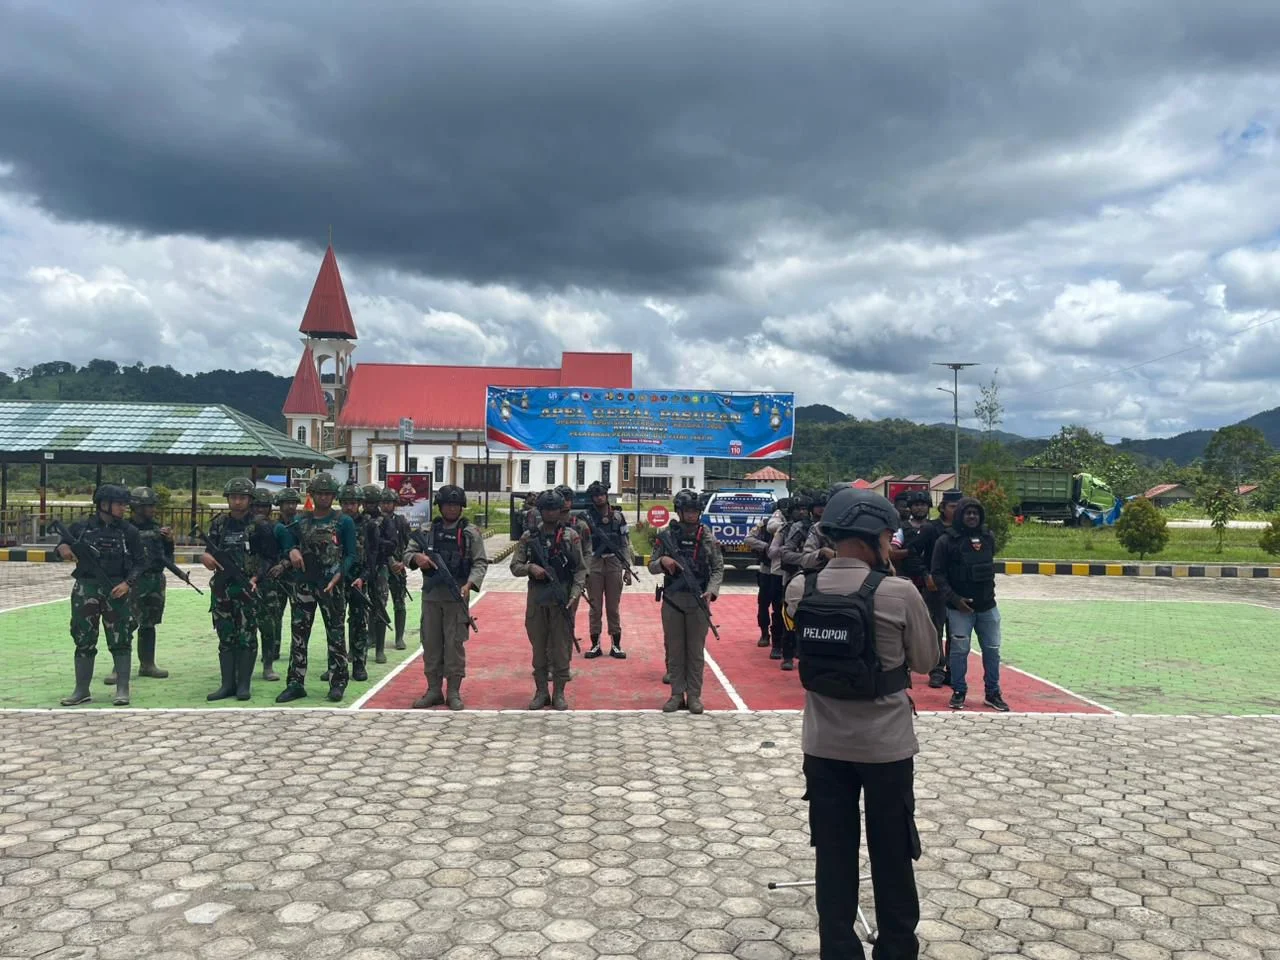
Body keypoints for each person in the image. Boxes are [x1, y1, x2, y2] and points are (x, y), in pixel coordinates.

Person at [784, 487, 937, 960]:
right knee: (892, 852)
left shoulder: (800, 589)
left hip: (824, 745)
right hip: (885, 748)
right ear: (874, 537)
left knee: (833, 853)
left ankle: (839, 947)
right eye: (889, 537)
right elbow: (927, 660)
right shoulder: (898, 591)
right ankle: (895, 947)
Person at [56, 484, 145, 706]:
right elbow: (62, 544)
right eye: (119, 504)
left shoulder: (129, 531)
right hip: (86, 589)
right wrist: (63, 549)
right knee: (83, 637)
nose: (124, 508)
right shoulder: (82, 527)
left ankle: (122, 688)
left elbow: (141, 562)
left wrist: (127, 583)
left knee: (121, 638)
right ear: (104, 505)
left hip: (116, 589)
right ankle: (81, 690)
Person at [274, 473, 357, 703]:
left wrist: (340, 574)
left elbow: (351, 554)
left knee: (336, 635)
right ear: (312, 495)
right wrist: (291, 550)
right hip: (304, 585)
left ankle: (338, 682)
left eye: (328, 493)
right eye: (319, 493)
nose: (323, 497)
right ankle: (295, 683)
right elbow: (281, 534)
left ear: (333, 496)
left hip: (332, 587)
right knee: (299, 634)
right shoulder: (302, 521)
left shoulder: (343, 521)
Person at [406, 485, 488, 710]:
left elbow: (480, 562)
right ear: (440, 507)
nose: (452, 508)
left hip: (456, 597)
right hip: (431, 597)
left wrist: (470, 583)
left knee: (454, 646)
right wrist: (417, 558)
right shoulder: (426, 531)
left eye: (455, 505)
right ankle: (433, 690)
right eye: (447, 505)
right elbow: (407, 554)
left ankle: (453, 692)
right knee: (431, 644)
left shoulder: (470, 533)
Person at [649, 489, 724, 714]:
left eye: (695, 511)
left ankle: (694, 696)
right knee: (675, 650)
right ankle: (675, 694)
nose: (692, 515)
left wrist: (711, 591)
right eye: (688, 511)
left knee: (695, 652)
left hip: (699, 601)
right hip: (673, 600)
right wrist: (663, 560)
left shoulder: (708, 536)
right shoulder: (666, 536)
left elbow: (718, 568)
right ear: (679, 512)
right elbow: (651, 566)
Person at [202, 478, 277, 702]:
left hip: (248, 587)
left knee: (247, 635)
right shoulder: (219, 524)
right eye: (233, 497)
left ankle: (244, 684)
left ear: (250, 500)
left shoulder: (260, 525)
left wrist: (256, 578)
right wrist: (206, 557)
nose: (237, 501)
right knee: (225, 636)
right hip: (223, 589)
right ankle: (227, 684)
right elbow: (209, 551)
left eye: (242, 498)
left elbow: (270, 557)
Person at [510, 489, 586, 710]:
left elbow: (581, 569)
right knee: (539, 649)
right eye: (547, 509)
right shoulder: (529, 537)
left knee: (561, 649)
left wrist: (575, 594)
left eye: (555, 509)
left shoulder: (571, 536)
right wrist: (530, 568)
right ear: (541, 511)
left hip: (562, 599)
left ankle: (559, 693)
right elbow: (515, 566)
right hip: (537, 599)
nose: (551, 513)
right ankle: (541, 691)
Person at [932, 497, 1009, 712]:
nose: (972, 516)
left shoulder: (988, 537)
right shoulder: (946, 541)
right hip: (959, 610)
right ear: (960, 516)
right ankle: (958, 691)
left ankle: (993, 693)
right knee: (959, 651)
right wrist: (956, 600)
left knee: (992, 650)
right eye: (967, 513)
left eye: (976, 512)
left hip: (987, 607)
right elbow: (937, 574)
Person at [103, 485, 170, 685]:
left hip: (155, 579)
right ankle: (119, 667)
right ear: (137, 507)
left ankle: (147, 664)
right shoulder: (123, 528)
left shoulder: (157, 527)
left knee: (149, 623)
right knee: (126, 623)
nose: (152, 510)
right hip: (133, 581)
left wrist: (169, 540)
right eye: (148, 506)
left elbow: (166, 555)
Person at [890, 490, 945, 689]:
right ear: (910, 508)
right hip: (907, 583)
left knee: (935, 628)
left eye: (923, 504)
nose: (919, 507)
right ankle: (903, 668)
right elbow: (892, 553)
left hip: (932, 584)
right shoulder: (902, 529)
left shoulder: (937, 528)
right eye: (916, 504)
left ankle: (937, 670)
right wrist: (912, 552)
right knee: (902, 627)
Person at [582, 480, 633, 660]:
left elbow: (625, 544)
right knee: (595, 607)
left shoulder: (618, 517)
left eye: (601, 494)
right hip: (594, 563)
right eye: (595, 495)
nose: (599, 498)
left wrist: (627, 568)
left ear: (606, 495)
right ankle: (595, 644)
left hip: (613, 564)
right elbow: (583, 546)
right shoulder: (586, 518)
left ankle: (616, 645)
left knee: (613, 607)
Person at [261, 488, 302, 680]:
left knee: (298, 615)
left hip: (296, 575)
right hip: (275, 576)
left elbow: (303, 548)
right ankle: (273, 649)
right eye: (287, 503)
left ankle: (297, 649)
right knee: (274, 613)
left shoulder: (301, 525)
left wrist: (284, 564)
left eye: (294, 502)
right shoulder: (273, 526)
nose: (291, 506)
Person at [247, 487, 286, 683]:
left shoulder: (276, 528)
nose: (260, 510)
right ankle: (244, 666)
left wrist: (281, 565)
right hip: (244, 581)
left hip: (268, 583)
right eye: (256, 506)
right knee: (245, 626)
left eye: (264, 506)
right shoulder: (243, 527)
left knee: (268, 626)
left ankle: (268, 665)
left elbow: (287, 551)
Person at [769, 493, 811, 670]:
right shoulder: (787, 529)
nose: (801, 512)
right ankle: (783, 650)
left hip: (813, 577)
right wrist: (809, 558)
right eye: (797, 509)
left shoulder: (817, 528)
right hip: (789, 577)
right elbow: (776, 552)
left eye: (804, 509)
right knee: (786, 617)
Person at [744, 499, 785, 651]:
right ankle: (764, 633)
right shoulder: (765, 524)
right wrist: (766, 547)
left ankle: (780, 638)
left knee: (779, 605)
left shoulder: (793, 525)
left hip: (782, 570)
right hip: (766, 570)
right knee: (763, 604)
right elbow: (748, 538)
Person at [378, 487, 412, 652]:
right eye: (383, 502)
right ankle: (374, 637)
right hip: (380, 568)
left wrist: (402, 563)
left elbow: (410, 545)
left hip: (398, 568)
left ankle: (399, 637)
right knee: (378, 603)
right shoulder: (374, 521)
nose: (386, 506)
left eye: (389, 502)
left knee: (399, 603)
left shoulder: (401, 522)